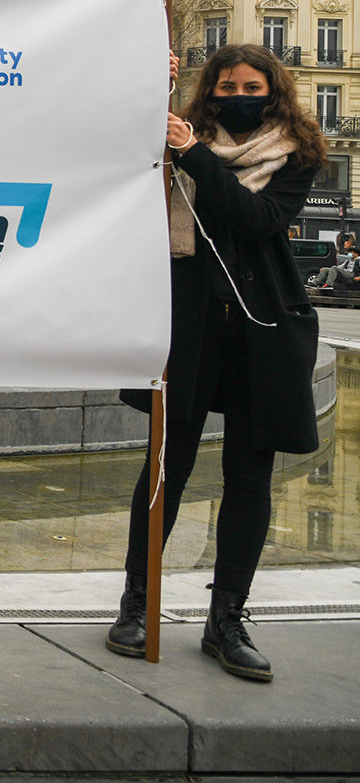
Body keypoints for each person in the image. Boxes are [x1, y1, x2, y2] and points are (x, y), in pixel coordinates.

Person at [106, 43, 325, 680]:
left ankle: (227, 619)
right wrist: (154, 84)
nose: (238, 97)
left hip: (263, 330)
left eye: (251, 87)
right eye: (227, 87)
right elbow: (123, 154)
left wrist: (195, 154)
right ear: (210, 91)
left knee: (249, 476)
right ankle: (137, 602)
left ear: (273, 90)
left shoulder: (296, 154)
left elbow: (255, 220)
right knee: (166, 466)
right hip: (188, 325)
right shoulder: (176, 139)